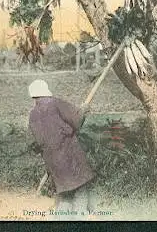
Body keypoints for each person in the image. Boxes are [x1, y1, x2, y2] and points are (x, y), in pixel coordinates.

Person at [28, 79, 95, 218]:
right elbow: (77, 121)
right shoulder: (55, 103)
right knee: (80, 189)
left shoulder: (32, 115)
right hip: (70, 156)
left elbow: (36, 142)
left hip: (52, 161)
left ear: (34, 96)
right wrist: (83, 110)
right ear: (46, 92)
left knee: (64, 193)